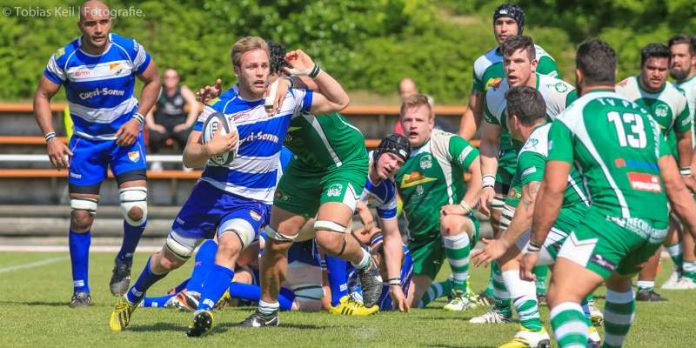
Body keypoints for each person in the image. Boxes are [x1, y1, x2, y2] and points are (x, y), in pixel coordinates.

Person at [108, 36, 350, 337]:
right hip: (211, 194)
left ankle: (204, 310)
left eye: (264, 66)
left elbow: (341, 101)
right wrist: (211, 148)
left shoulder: (286, 98)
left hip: (252, 201)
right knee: (170, 258)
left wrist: (312, 71)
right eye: (252, 67)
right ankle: (131, 298)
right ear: (238, 70)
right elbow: (188, 157)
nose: (260, 72)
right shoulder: (221, 108)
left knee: (230, 246)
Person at [520, 39, 696, 347]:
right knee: (617, 279)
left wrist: (534, 245)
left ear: (578, 75)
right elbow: (678, 191)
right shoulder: (644, 117)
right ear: (614, 75)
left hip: (615, 219)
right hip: (656, 224)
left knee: (561, 293)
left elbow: (553, 188)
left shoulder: (570, 117)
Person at [33, 0, 160, 307]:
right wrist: (51, 138)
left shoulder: (129, 50)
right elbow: (42, 94)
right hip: (86, 144)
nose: (98, 29)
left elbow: (153, 81)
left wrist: (138, 119)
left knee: (136, 209)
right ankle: (80, 290)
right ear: (81, 26)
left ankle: (125, 258)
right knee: (80, 217)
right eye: (91, 24)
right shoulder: (65, 58)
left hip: (125, 140)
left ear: (111, 22)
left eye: (103, 22)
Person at [472, 86, 594, 347]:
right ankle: (588, 331)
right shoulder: (562, 131)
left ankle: (531, 329)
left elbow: (531, 200)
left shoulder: (533, 148)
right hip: (598, 215)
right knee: (561, 267)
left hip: (574, 215)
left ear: (513, 120)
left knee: (509, 255)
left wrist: (503, 243)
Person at [474, 35, 575, 324]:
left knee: (566, 239)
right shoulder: (495, 95)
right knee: (506, 232)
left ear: (534, 64)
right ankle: (503, 309)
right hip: (526, 166)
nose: (511, 68)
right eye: (506, 62)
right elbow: (490, 141)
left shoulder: (559, 93)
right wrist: (488, 183)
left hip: (566, 171)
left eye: (518, 61)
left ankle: (582, 303)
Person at [616, 43, 693, 301]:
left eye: (663, 69)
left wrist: (684, 171)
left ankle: (646, 288)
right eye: (651, 68)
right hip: (622, 171)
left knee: (657, 226)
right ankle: (609, 277)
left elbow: (684, 136)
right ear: (642, 67)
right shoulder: (623, 91)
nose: (657, 74)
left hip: (658, 171)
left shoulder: (676, 97)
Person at [395, 93, 482, 311]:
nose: (413, 126)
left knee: (450, 222)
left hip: (456, 225)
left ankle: (463, 293)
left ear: (431, 122)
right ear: (401, 123)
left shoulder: (446, 142)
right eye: (408, 120)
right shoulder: (396, 155)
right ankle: (448, 286)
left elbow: (480, 167)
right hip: (421, 241)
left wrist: (464, 207)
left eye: (419, 120)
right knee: (404, 303)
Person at [458, 3, 560, 140]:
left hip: (535, 149)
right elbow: (474, 110)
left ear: (520, 26)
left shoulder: (542, 61)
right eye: (499, 23)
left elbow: (556, 108)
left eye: (510, 22)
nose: (503, 29)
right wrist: (456, 149)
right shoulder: (482, 63)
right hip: (497, 151)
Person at [662, 34, 696, 290]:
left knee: (687, 214)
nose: (675, 60)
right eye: (672, 55)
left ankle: (690, 274)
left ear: (693, 59)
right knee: (662, 216)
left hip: (690, 161)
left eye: (681, 55)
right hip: (671, 163)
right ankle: (681, 268)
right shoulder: (672, 90)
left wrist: (692, 165)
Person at [146, 68, 199, 171]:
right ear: (163, 79)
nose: (170, 80)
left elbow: (195, 105)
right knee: (154, 135)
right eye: (167, 77)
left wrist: (187, 124)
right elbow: (148, 105)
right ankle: (156, 162)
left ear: (177, 79)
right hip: (162, 125)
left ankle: (187, 162)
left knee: (187, 136)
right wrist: (152, 125)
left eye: (173, 77)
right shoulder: (159, 90)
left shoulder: (183, 90)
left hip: (179, 125)